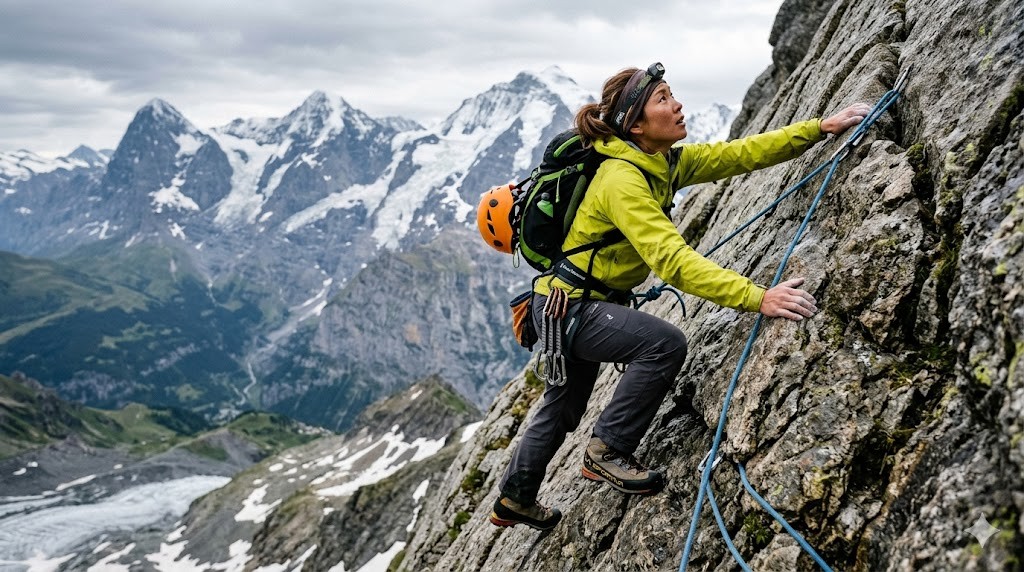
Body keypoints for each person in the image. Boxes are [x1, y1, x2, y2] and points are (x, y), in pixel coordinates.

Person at [489, 62, 872, 531]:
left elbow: (739, 154)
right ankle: (606, 450)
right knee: (663, 345)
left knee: (563, 405)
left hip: (561, 306)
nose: (677, 105)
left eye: (671, 94)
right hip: (571, 308)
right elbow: (673, 261)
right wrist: (758, 297)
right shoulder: (622, 181)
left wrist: (818, 129)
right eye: (663, 99)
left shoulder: (659, 162)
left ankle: (515, 499)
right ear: (636, 124)